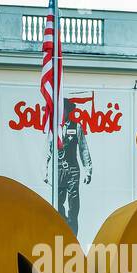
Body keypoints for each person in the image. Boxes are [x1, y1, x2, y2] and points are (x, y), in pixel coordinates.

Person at [44, 96, 92, 235]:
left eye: (63, 109)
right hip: (57, 170)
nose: (61, 112)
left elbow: (83, 149)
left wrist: (88, 170)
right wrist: (45, 170)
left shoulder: (76, 126)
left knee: (73, 206)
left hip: (73, 170)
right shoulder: (53, 129)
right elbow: (48, 149)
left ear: (67, 110)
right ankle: (63, 228)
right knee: (57, 204)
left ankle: (73, 237)